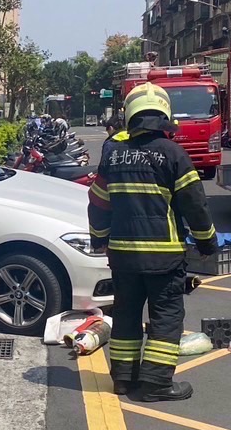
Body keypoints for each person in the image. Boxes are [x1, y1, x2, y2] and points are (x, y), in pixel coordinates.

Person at [89, 82, 217, 402]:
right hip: (164, 257)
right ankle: (156, 383)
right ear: (164, 116)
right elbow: (195, 205)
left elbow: (98, 204)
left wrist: (99, 241)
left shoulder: (113, 154)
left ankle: (122, 377)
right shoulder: (173, 153)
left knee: (127, 314)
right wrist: (207, 244)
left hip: (122, 256)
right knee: (166, 316)